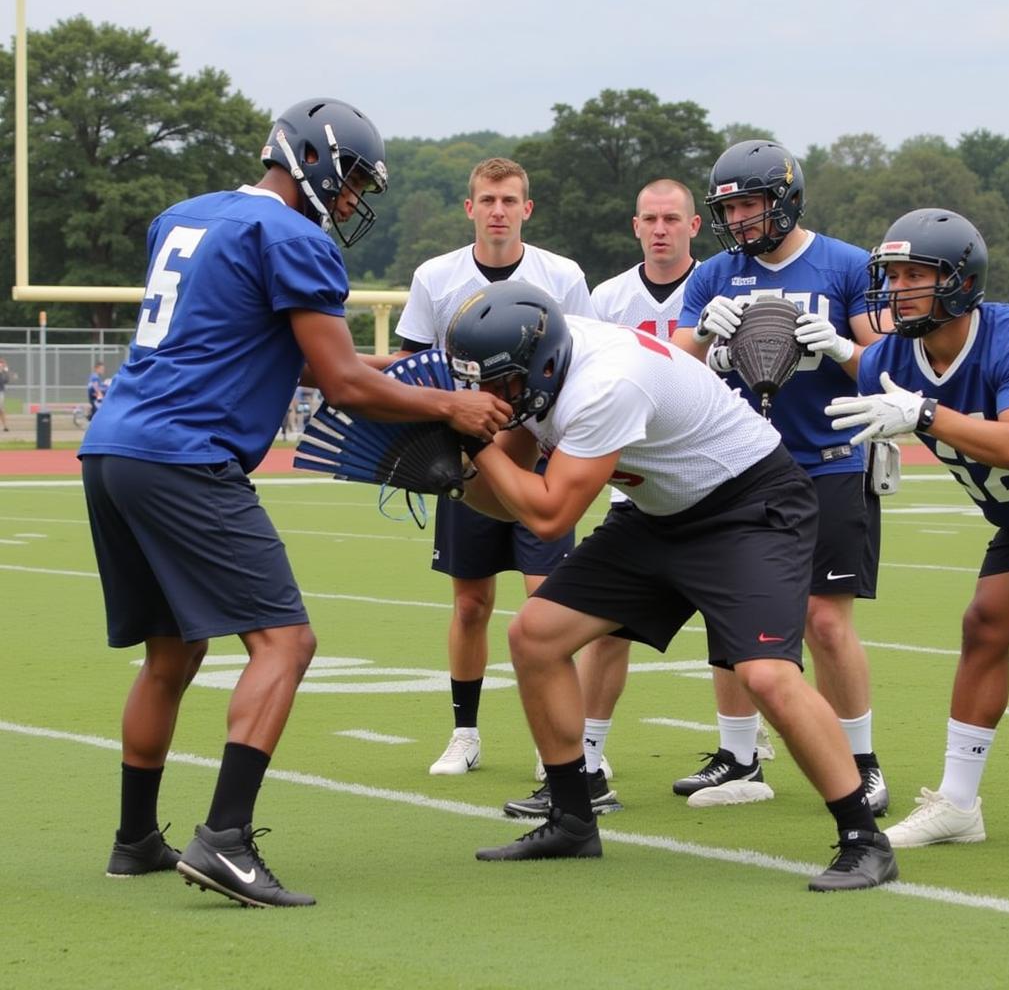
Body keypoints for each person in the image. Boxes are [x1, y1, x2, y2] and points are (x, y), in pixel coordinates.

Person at [78, 97, 510, 909]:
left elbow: (301, 357)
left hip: (113, 447)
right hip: (186, 455)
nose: (350, 202)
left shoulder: (186, 217)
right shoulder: (293, 236)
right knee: (286, 642)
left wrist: (414, 371)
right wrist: (449, 407)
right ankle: (226, 840)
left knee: (172, 653)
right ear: (310, 159)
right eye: (348, 182)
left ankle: (135, 840)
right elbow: (342, 382)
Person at [448, 281, 896, 891]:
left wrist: (476, 445)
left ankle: (864, 838)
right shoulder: (545, 369)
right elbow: (504, 497)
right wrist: (453, 473)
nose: (488, 398)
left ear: (543, 362)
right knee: (535, 635)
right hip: (660, 512)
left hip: (749, 506)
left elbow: (549, 516)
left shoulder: (605, 382)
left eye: (497, 385)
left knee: (765, 673)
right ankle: (573, 818)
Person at [671, 140, 889, 814]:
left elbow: (888, 376)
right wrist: (705, 340)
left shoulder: (847, 265)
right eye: (728, 206)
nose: (738, 219)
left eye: (750, 204)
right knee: (729, 612)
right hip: (740, 467)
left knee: (825, 622)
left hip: (830, 459)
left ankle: (863, 760)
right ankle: (739, 756)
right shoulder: (713, 274)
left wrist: (845, 348)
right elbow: (673, 369)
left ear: (786, 198)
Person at [503, 177, 701, 819]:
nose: (661, 227)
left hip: (706, 471)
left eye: (673, 216)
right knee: (605, 624)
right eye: (650, 217)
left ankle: (745, 749)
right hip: (629, 474)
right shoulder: (609, 296)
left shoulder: (721, 282)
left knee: (750, 642)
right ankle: (587, 761)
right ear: (635, 225)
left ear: (694, 225)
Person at [826, 207, 1009, 848]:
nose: (900, 288)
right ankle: (959, 805)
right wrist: (834, 351)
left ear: (961, 282)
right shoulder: (891, 358)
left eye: (917, 274)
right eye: (894, 273)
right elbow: (870, 373)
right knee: (985, 623)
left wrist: (927, 413)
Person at [393, 157, 595, 777]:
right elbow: (415, 370)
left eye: (510, 200)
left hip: (544, 457)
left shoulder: (561, 275)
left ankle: (557, 740)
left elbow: (588, 362)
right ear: (470, 207)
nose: (499, 210)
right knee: (471, 604)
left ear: (527, 208)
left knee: (547, 605)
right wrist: (435, 454)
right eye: (488, 200)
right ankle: (465, 732)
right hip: (470, 459)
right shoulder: (436, 276)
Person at [0, 357, 11, 431]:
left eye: (2, 363)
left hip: (0, 392)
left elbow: (6, 380)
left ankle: (5, 426)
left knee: (1, 409)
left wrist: (5, 371)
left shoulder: (3, 372)